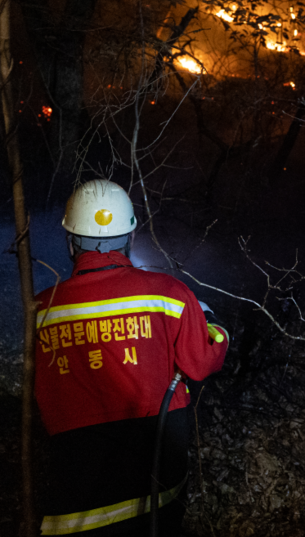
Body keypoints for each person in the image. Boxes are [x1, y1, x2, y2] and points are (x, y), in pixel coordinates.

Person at [34, 180, 229, 535]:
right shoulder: (169, 295)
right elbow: (202, 361)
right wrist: (213, 324)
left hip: (76, 496)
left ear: (70, 240)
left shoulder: (41, 310)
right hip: (155, 489)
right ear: (130, 237)